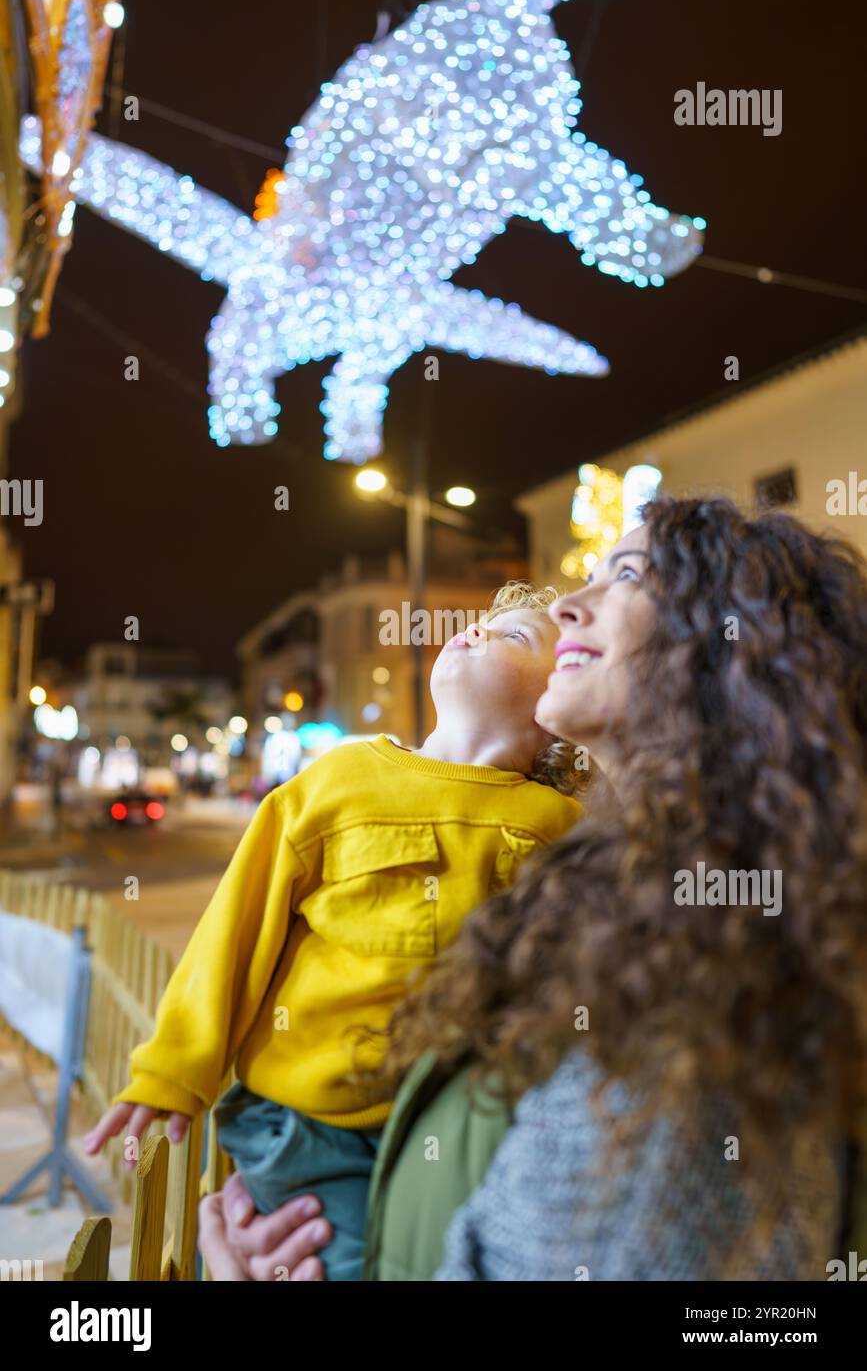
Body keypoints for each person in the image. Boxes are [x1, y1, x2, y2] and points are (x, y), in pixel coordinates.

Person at [199, 495, 867, 1280]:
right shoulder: (593, 884)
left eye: (628, 575)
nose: (567, 605)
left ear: (733, 647)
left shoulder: (714, 975)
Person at [83, 582, 582, 1281]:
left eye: (513, 638)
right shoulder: (340, 778)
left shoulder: (559, 824)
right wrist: (171, 1072)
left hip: (449, 1121)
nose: (471, 634)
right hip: (311, 1122)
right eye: (475, 626)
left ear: (557, 713)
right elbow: (237, 923)